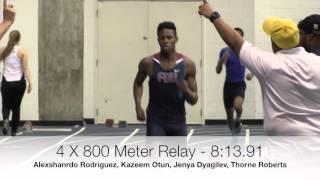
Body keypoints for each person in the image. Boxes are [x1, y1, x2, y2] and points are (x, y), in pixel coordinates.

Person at [198, 0, 320, 135]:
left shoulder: (268, 63)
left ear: (274, 43)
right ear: (298, 37)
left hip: (282, 149)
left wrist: (213, 15)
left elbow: (234, 41)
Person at [133, 21, 198, 136]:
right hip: (155, 120)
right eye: (162, 38)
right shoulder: (148, 63)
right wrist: (138, 106)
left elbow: (194, 100)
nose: (166, 41)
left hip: (178, 121)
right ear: (158, 40)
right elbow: (138, 83)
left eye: (169, 37)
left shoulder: (188, 65)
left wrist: (186, 90)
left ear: (176, 39)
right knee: (156, 154)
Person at [216, 27, 253, 135]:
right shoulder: (224, 51)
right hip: (228, 85)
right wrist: (222, 60)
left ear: (241, 38)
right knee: (229, 115)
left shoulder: (245, 52)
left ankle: (239, 118)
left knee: (237, 106)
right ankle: (233, 134)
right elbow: (218, 71)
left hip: (239, 84)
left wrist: (251, 74)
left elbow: (255, 65)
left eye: (237, 36)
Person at [1, 30, 32, 136]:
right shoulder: (22, 51)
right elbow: (26, 69)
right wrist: (30, 83)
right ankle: (13, 131)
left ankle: (5, 119)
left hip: (6, 82)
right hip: (19, 83)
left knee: (6, 104)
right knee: (16, 107)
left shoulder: (3, 50)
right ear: (19, 39)